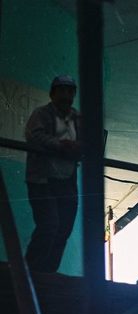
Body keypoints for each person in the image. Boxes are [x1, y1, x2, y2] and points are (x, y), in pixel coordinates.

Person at [24, 75, 81, 273]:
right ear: (52, 94)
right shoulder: (41, 114)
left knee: (63, 229)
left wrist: (79, 149)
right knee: (49, 226)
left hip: (66, 181)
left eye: (69, 91)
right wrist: (60, 146)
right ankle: (31, 272)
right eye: (62, 91)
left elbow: (91, 141)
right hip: (42, 180)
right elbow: (33, 135)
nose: (66, 95)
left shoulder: (78, 118)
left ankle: (48, 274)